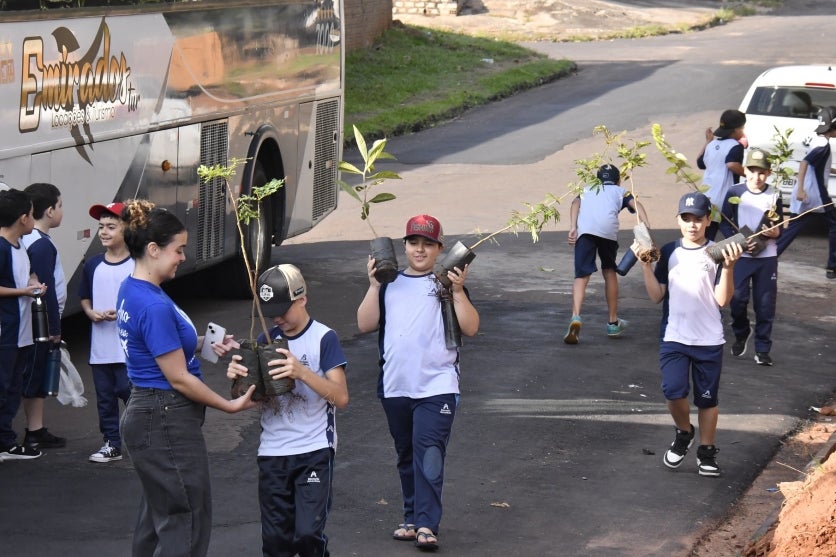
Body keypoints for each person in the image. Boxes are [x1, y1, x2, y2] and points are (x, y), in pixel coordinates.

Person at [116, 199, 256, 556]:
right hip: (165, 417)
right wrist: (229, 405)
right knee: (186, 517)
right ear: (153, 249)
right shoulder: (154, 304)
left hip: (147, 412)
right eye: (178, 250)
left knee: (159, 516)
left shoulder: (133, 289)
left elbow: (158, 346)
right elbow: (178, 378)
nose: (182, 257)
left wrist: (203, 343)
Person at [356, 214, 479, 552]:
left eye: (428, 243)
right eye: (414, 242)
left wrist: (456, 290)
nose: (420, 249)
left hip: (437, 386)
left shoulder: (445, 283)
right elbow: (365, 324)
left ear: (440, 249)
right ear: (405, 246)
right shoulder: (390, 283)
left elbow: (470, 327)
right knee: (406, 453)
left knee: (429, 453)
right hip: (395, 386)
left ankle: (426, 523)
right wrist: (373, 284)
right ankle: (411, 518)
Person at [220, 263, 349, 557]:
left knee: (307, 535)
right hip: (273, 452)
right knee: (276, 541)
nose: (278, 318)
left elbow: (341, 397)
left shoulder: (324, 338)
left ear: (302, 298)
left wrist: (301, 372)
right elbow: (254, 400)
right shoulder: (266, 340)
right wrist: (239, 380)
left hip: (314, 450)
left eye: (283, 309)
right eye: (271, 312)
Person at [635, 192, 742, 477]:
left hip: (708, 339)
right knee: (673, 390)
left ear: (708, 221)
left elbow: (722, 301)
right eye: (686, 218)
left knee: (707, 400)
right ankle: (684, 432)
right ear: (678, 220)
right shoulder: (669, 252)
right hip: (674, 337)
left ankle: (707, 452)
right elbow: (657, 296)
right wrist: (645, 264)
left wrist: (729, 268)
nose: (692, 225)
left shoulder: (719, 253)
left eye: (698, 219)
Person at [564, 164, 649, 344]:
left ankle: (575, 317)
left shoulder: (588, 189)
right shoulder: (621, 190)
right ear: (618, 180)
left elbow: (575, 203)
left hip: (585, 231)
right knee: (609, 272)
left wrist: (573, 227)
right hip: (608, 232)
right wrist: (647, 228)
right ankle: (612, 322)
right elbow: (637, 206)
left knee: (581, 276)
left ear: (598, 180)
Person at [78, 202, 135, 463]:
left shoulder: (136, 264)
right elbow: (84, 298)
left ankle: (139, 440)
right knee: (105, 399)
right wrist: (90, 313)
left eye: (111, 227)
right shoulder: (92, 265)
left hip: (128, 349)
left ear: (128, 229)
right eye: (101, 227)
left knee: (130, 393)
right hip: (100, 348)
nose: (103, 232)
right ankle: (111, 443)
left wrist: (122, 313)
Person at [720, 148, 783, 366]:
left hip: (767, 257)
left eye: (762, 172)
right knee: (737, 299)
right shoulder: (735, 192)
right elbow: (724, 220)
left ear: (769, 173)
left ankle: (763, 349)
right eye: (753, 171)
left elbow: (778, 223)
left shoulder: (774, 193)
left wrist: (777, 232)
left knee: (765, 304)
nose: (757, 177)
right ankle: (741, 331)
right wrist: (737, 241)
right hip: (742, 256)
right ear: (745, 170)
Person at [0, 189, 47, 461]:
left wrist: (32, 282)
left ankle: (5, 441)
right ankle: (4, 441)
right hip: (6, 331)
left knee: (12, 387)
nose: (33, 218)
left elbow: (26, 273)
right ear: (22, 219)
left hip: (21, 333)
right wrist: (24, 292)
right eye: (31, 213)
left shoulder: (19, 246)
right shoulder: (2, 247)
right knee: (4, 387)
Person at [20, 183, 66, 450]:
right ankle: (33, 431)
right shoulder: (41, 245)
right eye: (60, 206)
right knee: (35, 374)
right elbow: (44, 290)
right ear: (49, 211)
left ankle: (36, 429)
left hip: (31, 321)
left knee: (32, 374)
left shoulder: (28, 239)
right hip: (39, 323)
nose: (61, 211)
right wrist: (54, 326)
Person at [776, 105, 836, 280]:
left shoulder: (816, 139)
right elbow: (805, 164)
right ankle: (832, 266)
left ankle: (769, 259)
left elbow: (819, 167)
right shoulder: (823, 145)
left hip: (807, 194)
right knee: (834, 225)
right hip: (815, 195)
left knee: (792, 229)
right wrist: (801, 189)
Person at [696, 109, 747, 240]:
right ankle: (742, 249)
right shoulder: (735, 146)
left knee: (709, 231)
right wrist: (749, 173)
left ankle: (709, 255)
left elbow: (700, 162)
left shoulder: (712, 145)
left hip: (708, 195)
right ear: (736, 130)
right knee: (728, 224)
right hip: (725, 197)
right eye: (742, 128)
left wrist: (708, 141)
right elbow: (731, 164)